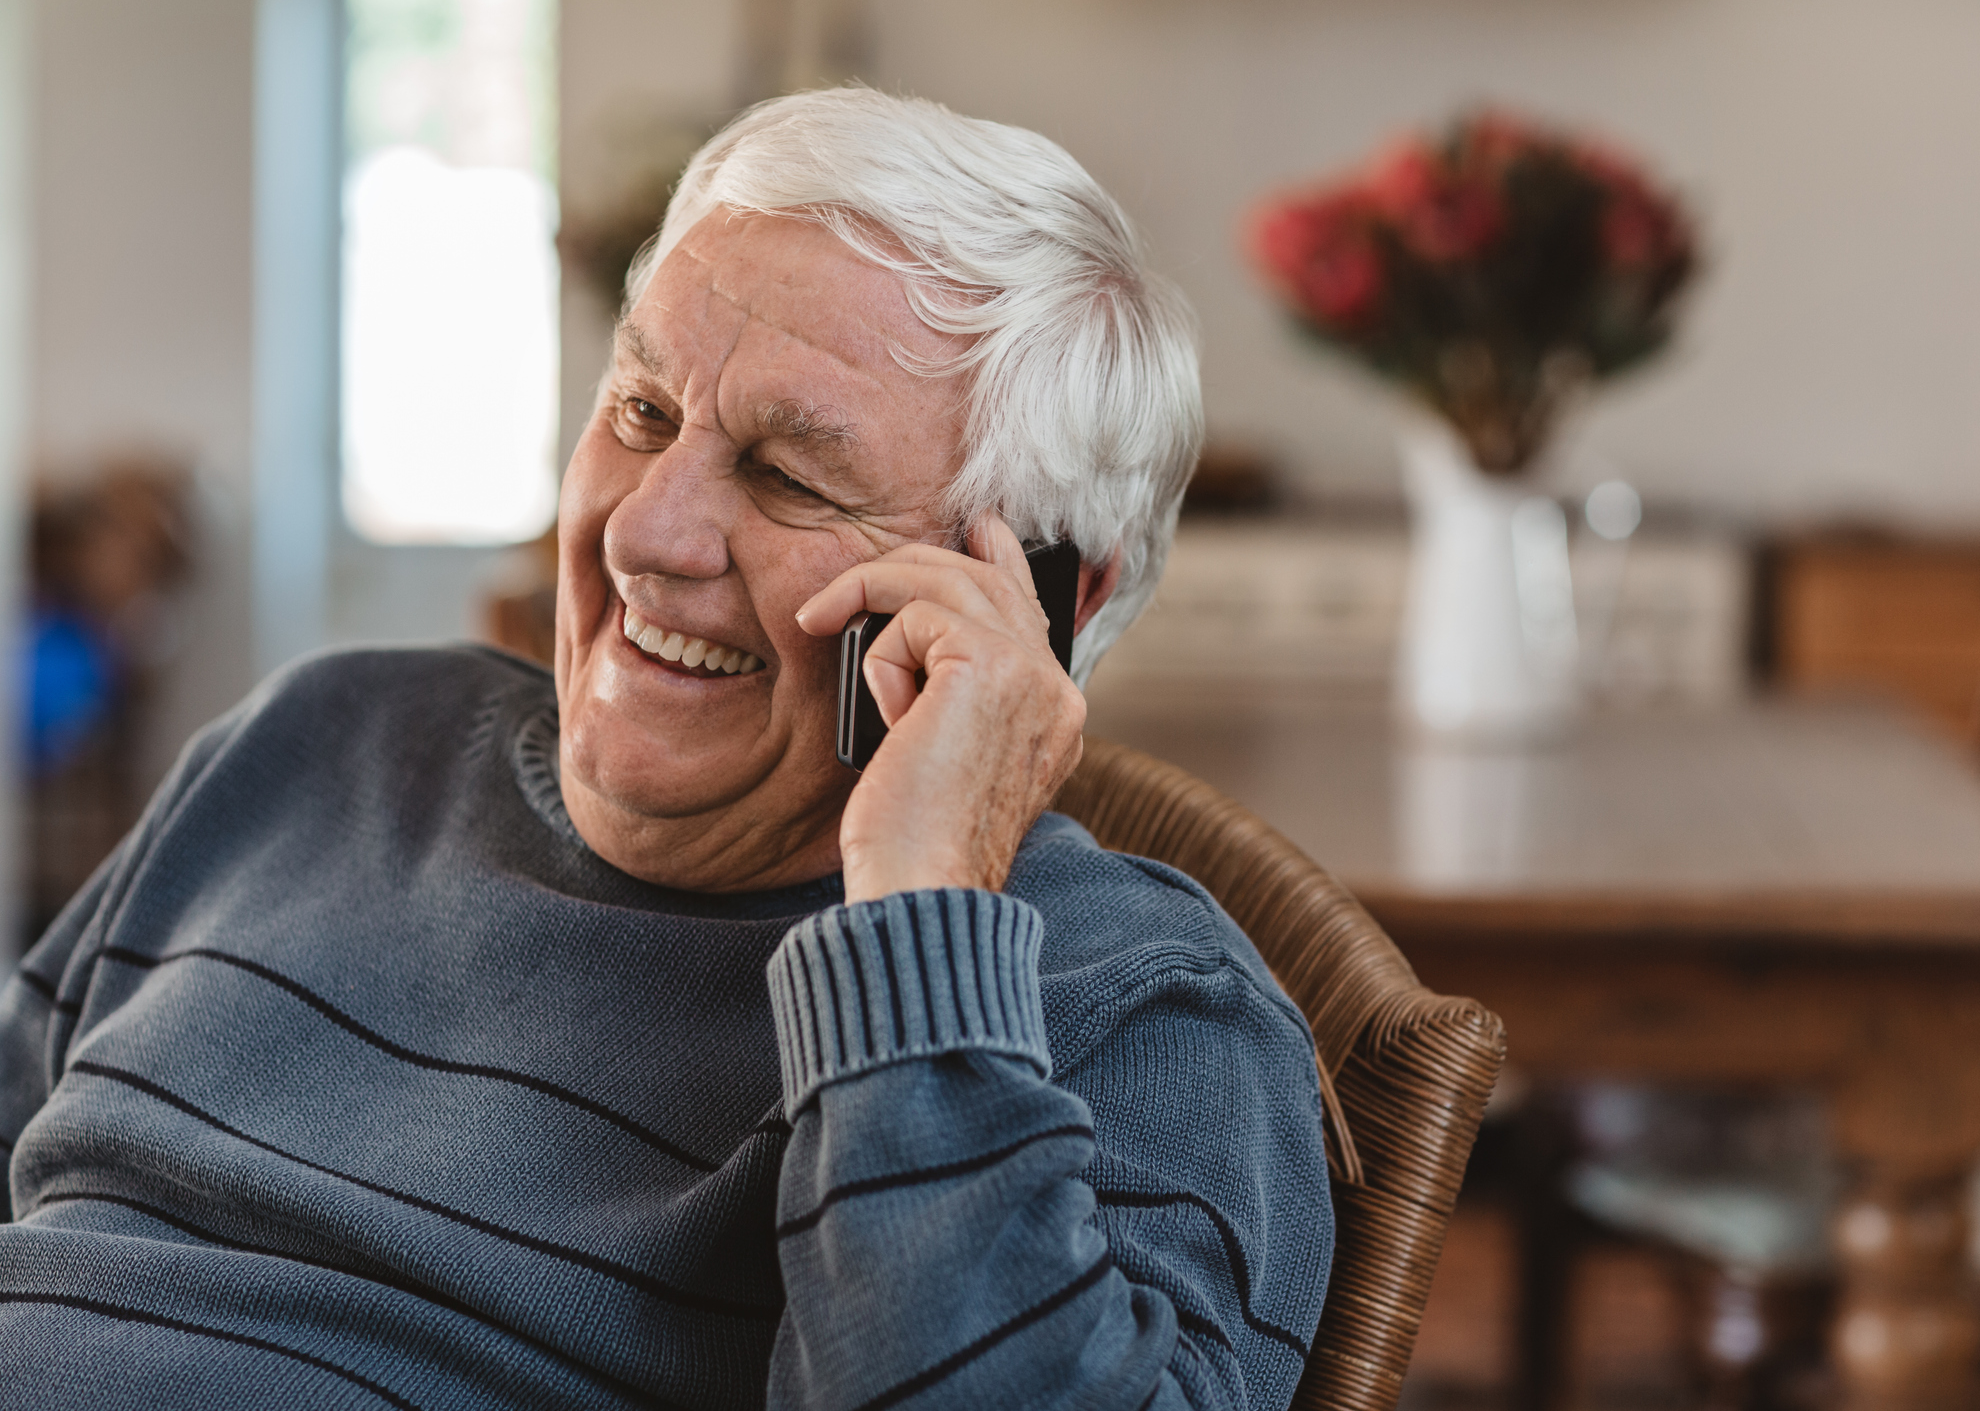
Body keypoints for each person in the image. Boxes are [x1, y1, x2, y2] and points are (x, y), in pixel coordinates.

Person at [0, 88, 1333, 1409]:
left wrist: (919, 914)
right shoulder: (318, 738)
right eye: (640, 411)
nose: (645, 530)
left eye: (788, 474)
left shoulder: (1135, 1008)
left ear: (1041, 601)